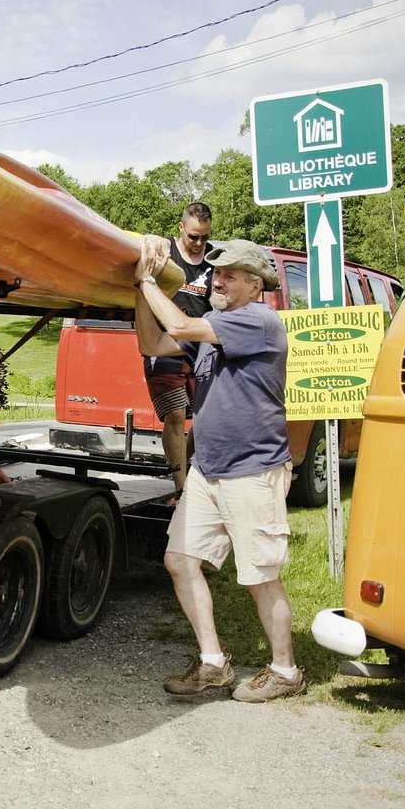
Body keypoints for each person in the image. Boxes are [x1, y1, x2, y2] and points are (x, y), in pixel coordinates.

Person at [134, 236, 304, 703]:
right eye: (216, 273)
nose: (217, 280)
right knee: (180, 560)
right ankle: (213, 664)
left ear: (254, 284)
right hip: (208, 470)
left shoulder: (259, 320)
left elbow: (180, 324)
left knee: (259, 576)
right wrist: (137, 292)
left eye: (228, 275)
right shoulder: (217, 327)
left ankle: (286, 670)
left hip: (252, 470)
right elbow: (152, 340)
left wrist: (149, 279)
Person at [137, 202, 214, 501]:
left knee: (205, 415)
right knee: (175, 416)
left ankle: (190, 470)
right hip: (164, 344)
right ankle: (180, 487)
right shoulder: (165, 250)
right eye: (193, 236)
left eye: (204, 238)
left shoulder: (212, 262)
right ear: (181, 228)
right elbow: (143, 242)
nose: (198, 243)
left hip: (198, 346)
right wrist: (150, 240)